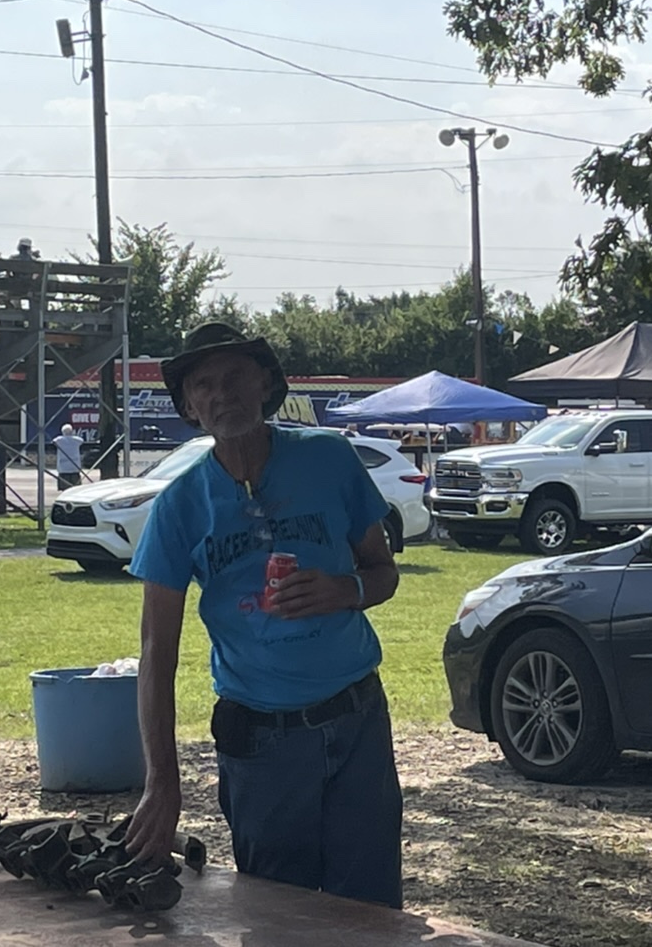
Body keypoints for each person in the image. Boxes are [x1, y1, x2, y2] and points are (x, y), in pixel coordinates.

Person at [124, 322, 403, 909]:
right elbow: (156, 653)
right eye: (203, 385)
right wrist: (162, 783)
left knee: (371, 914)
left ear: (266, 384)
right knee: (278, 916)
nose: (221, 393)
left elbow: (384, 572)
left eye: (234, 377)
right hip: (262, 742)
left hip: (357, 721)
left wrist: (345, 589)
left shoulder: (329, 458)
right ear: (188, 407)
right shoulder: (180, 505)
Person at [53, 424, 83, 491]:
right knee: (76, 488)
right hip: (75, 467)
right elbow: (81, 440)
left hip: (63, 468)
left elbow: (54, 441)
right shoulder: (76, 440)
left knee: (64, 488)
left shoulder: (59, 440)